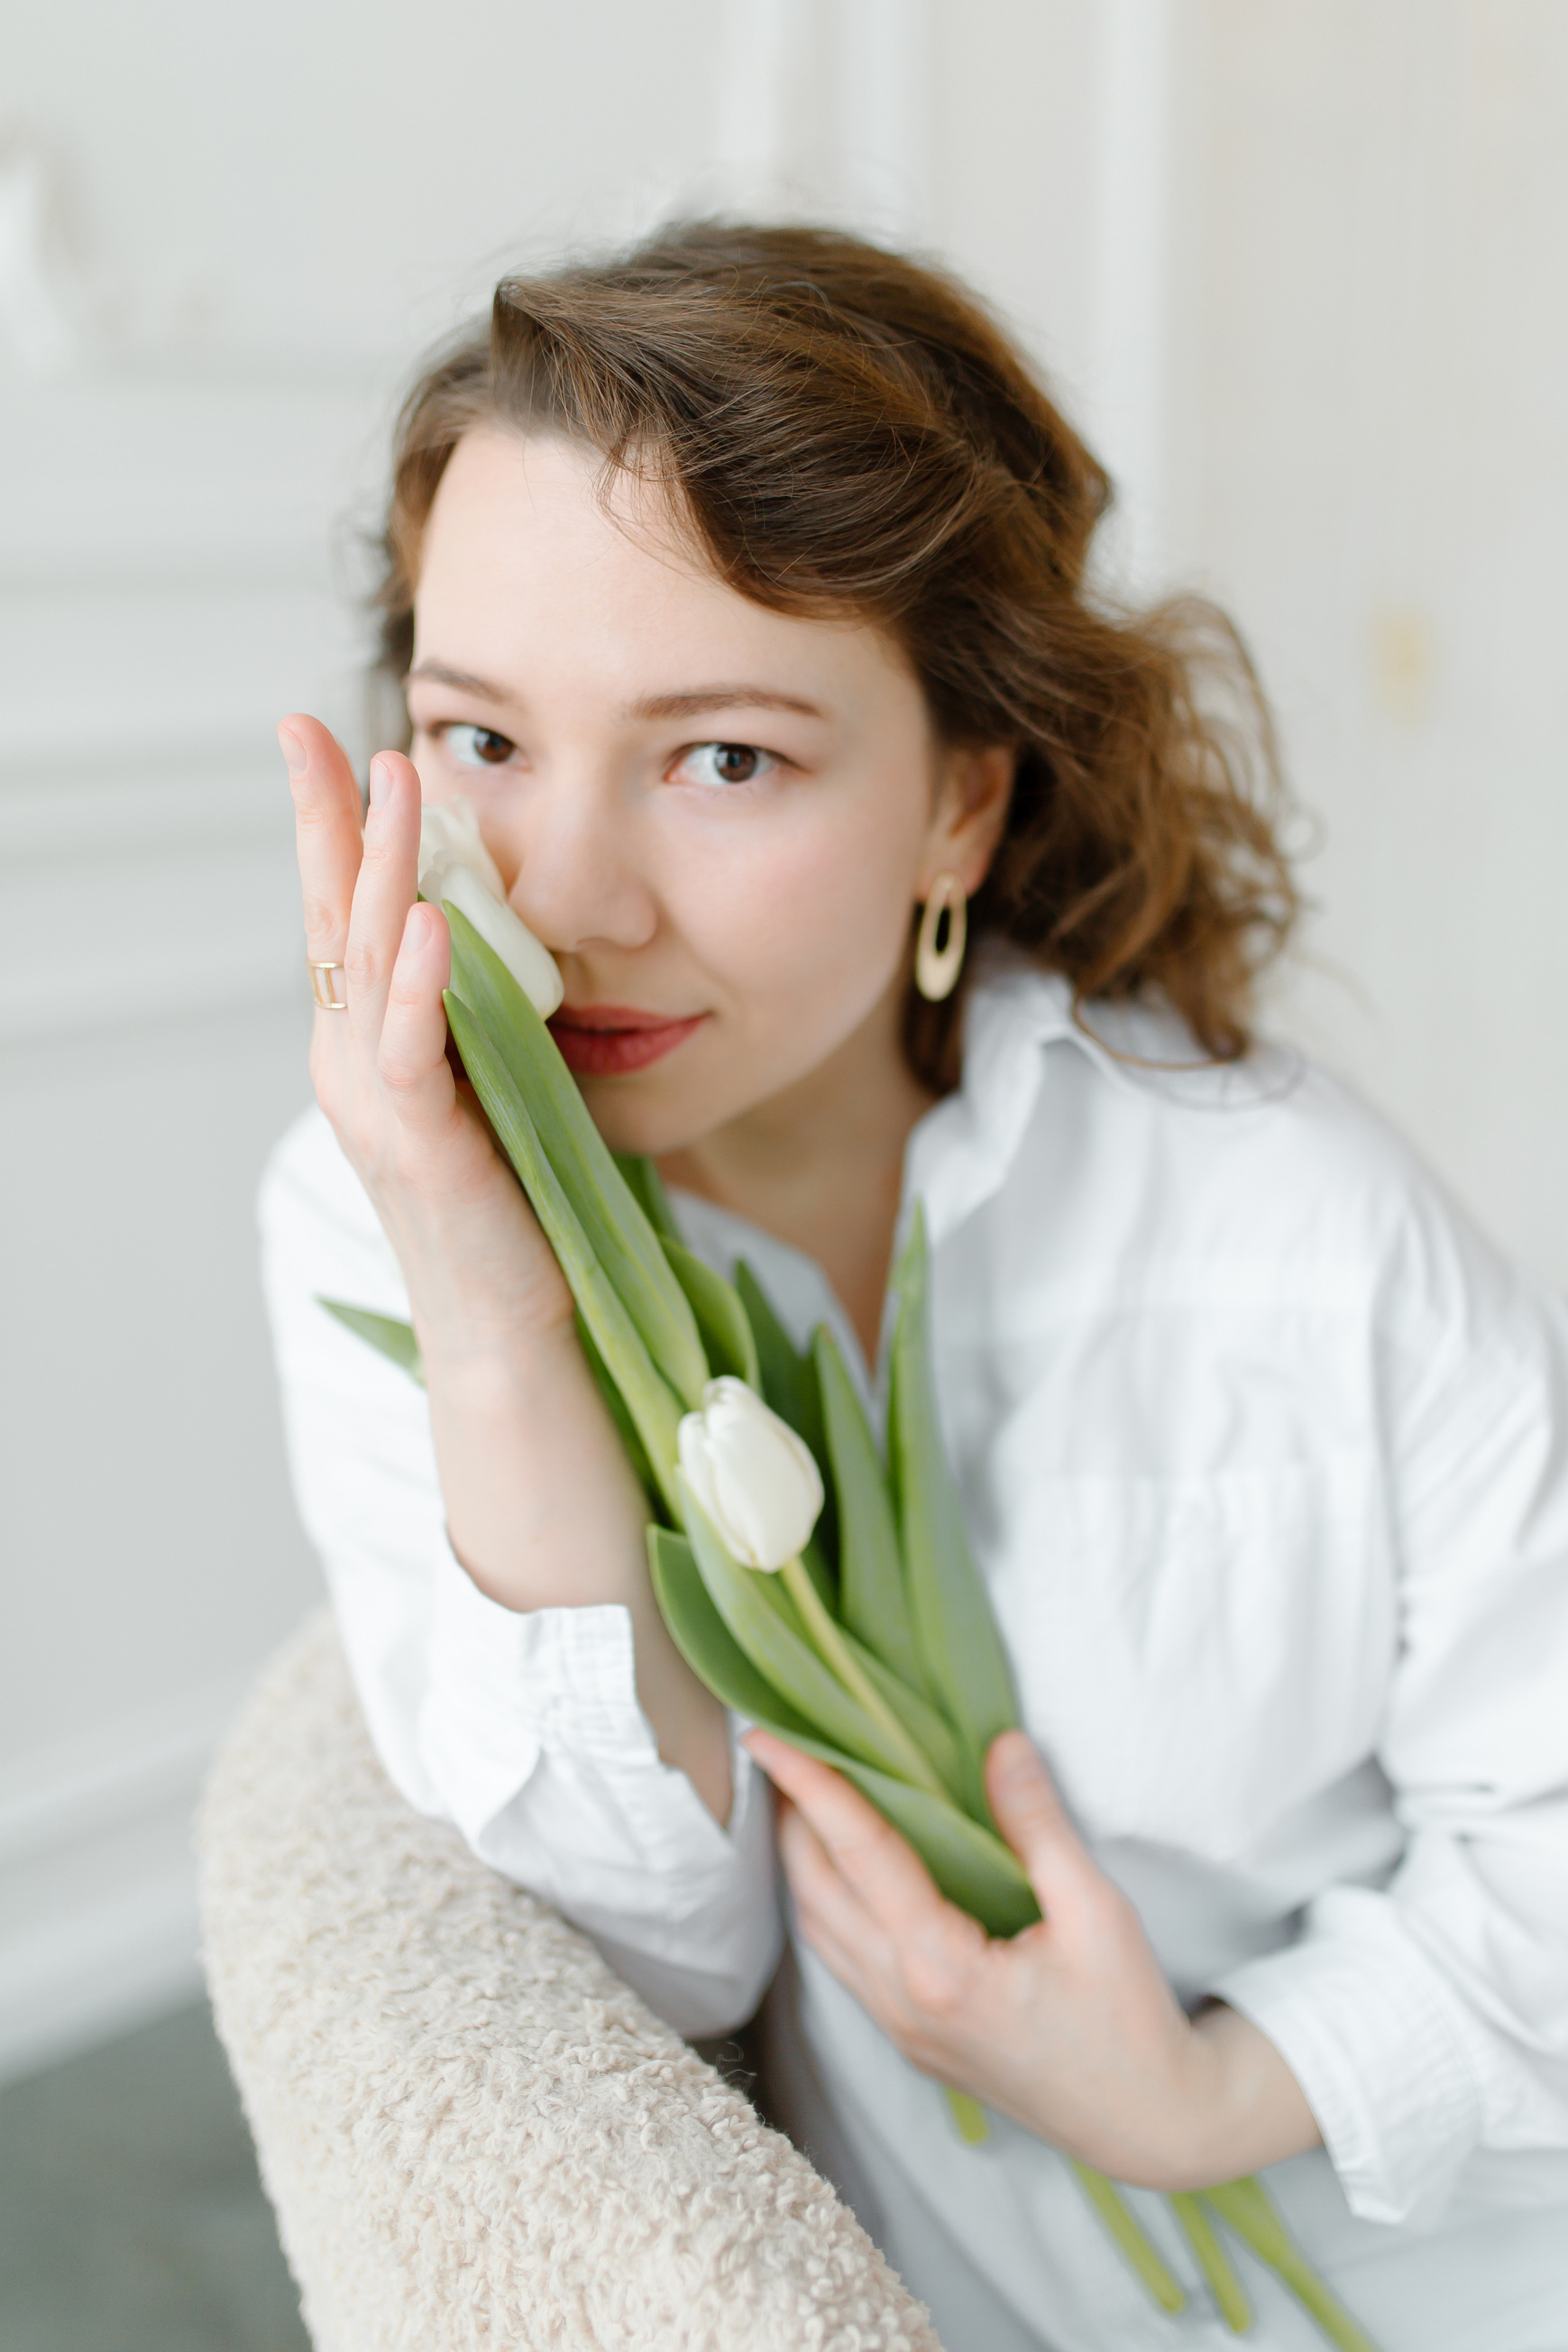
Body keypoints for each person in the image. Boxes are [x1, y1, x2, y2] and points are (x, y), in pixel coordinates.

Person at [261, 223, 1568, 2352]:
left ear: (963, 799)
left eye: (725, 759)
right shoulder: (370, 1211)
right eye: (482, 740)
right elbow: (647, 1973)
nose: (570, 898)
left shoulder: (1282, 1220)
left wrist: (1203, 2093)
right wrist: (499, 1313)